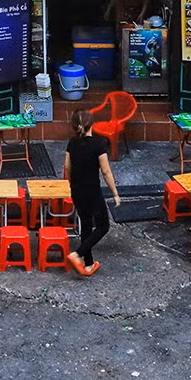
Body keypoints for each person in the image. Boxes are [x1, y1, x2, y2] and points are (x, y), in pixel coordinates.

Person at [63, 108, 120, 276]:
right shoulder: (98, 145)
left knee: (86, 224)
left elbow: (67, 167)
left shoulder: (71, 144)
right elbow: (106, 172)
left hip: (77, 190)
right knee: (103, 226)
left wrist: (72, 184)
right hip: (93, 191)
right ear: (91, 125)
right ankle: (78, 253)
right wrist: (115, 193)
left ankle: (88, 264)